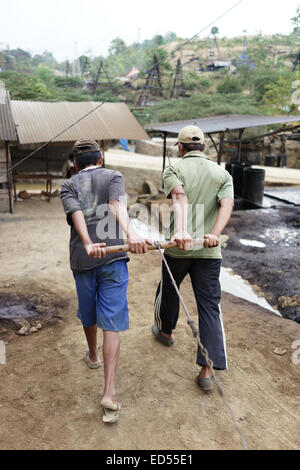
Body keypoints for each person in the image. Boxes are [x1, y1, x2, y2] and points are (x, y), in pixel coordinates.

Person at [60, 139, 150, 423]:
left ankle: (93, 356)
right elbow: (115, 205)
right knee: (111, 321)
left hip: (83, 259)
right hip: (113, 259)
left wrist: (87, 242)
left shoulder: (69, 184)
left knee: (89, 312)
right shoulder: (113, 175)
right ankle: (109, 393)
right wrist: (131, 234)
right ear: (100, 159)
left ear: (75, 163)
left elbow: (76, 215)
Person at [152, 125, 234, 391]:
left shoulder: (174, 168)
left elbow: (179, 196)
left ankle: (166, 333)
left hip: (178, 249)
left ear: (180, 147)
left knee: (169, 290)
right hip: (209, 251)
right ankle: (206, 371)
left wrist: (182, 231)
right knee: (209, 306)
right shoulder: (222, 173)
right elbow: (227, 205)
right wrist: (214, 234)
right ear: (204, 148)